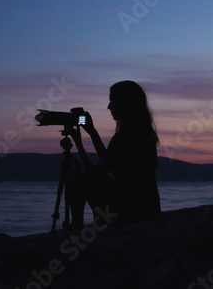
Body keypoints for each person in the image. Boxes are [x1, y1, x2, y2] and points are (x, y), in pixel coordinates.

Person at [65, 80, 161, 227]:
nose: (109, 106)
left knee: (73, 175)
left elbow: (95, 175)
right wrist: (92, 132)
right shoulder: (142, 132)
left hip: (128, 211)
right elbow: (109, 160)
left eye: (112, 101)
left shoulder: (124, 136)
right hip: (149, 207)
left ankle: (77, 226)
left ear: (124, 103)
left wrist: (79, 145)